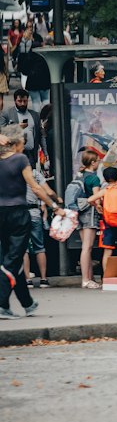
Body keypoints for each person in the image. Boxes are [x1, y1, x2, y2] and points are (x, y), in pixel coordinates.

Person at [0, 131, 60, 318]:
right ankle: (1, 303)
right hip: (18, 213)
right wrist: (54, 206)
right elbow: (35, 187)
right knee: (11, 261)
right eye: (23, 144)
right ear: (17, 144)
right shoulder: (20, 160)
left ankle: (27, 303)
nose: (24, 147)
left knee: (13, 258)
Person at [64, 147, 104, 287]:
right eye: (98, 161)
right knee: (87, 247)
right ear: (93, 163)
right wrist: (99, 206)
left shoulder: (80, 175)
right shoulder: (94, 178)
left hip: (78, 211)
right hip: (89, 211)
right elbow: (96, 198)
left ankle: (89, 278)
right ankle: (86, 280)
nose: (99, 163)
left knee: (85, 247)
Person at [24, 159, 51, 287]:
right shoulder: (35, 174)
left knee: (24, 249)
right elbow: (47, 191)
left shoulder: (12, 172)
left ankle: (27, 279)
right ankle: (44, 279)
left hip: (20, 213)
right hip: (34, 212)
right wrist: (55, 202)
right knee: (39, 247)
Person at [0, 89, 41, 164]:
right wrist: (17, 127)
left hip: (30, 155)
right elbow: (2, 133)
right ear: (15, 100)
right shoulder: (6, 114)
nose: (22, 104)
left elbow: (40, 135)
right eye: (20, 101)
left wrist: (45, 152)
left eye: (25, 101)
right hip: (13, 154)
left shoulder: (35, 115)